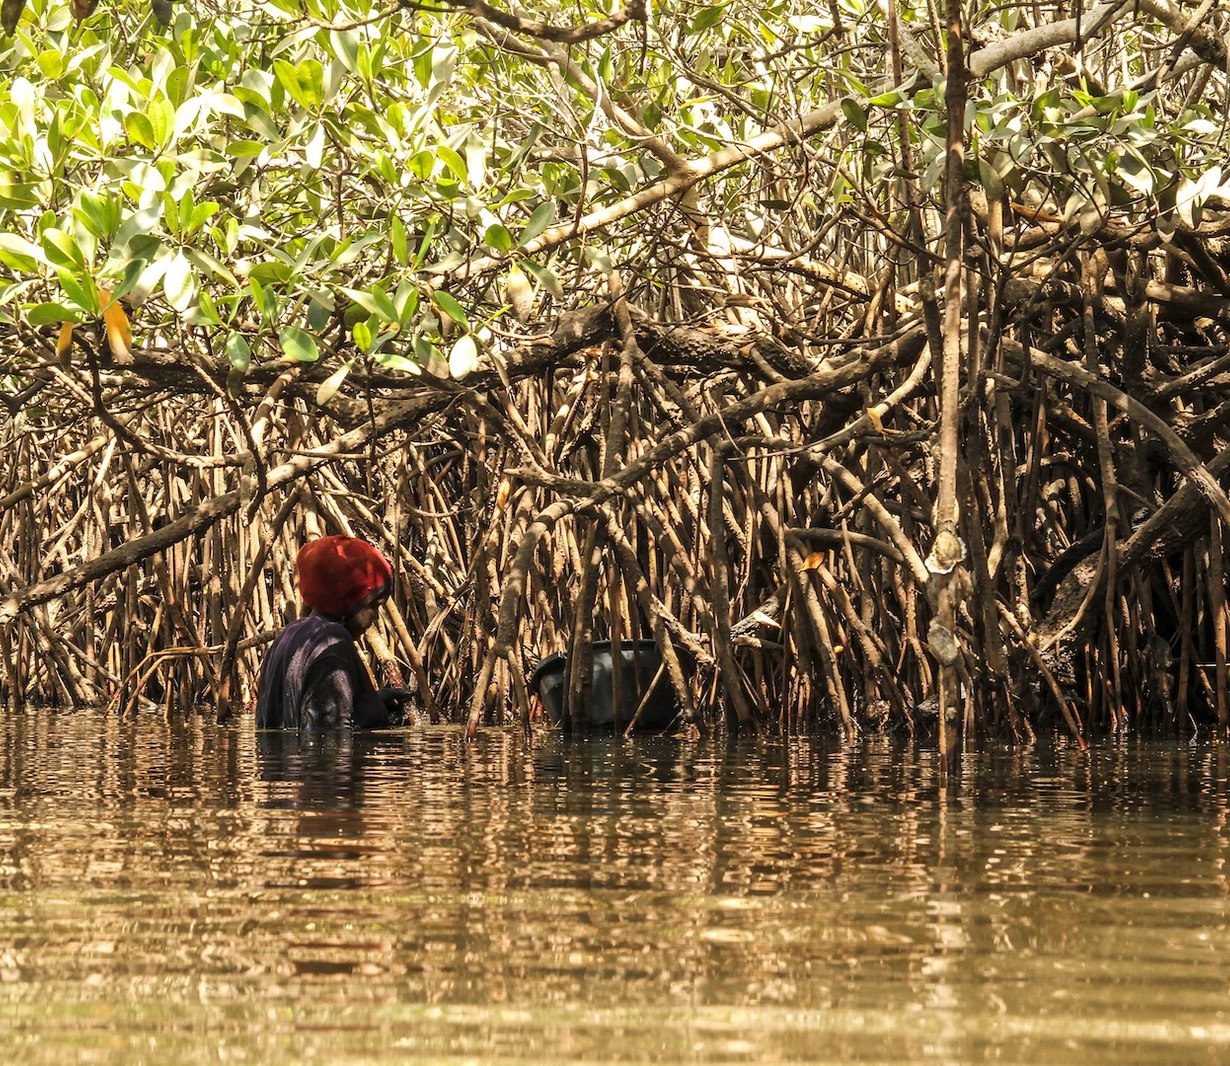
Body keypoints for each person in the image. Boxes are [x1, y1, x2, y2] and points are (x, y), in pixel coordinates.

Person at [256, 535, 413, 730]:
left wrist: (373, 702)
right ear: (348, 598)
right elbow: (328, 743)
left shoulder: (288, 635)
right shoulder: (330, 644)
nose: (376, 618)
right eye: (374, 605)